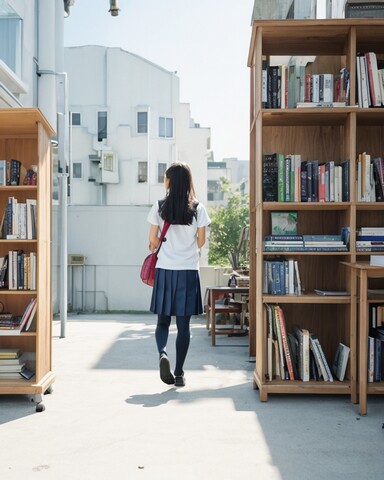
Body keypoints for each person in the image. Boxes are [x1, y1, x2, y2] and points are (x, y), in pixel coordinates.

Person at [147, 162, 210, 387]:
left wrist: (155, 243)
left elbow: (153, 241)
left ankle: (162, 353)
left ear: (170, 181)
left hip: (165, 271)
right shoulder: (198, 209)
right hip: (188, 272)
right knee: (184, 327)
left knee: (163, 321)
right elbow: (201, 242)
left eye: (165, 178)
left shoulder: (159, 207)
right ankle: (180, 372)